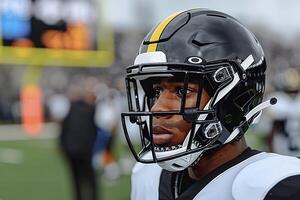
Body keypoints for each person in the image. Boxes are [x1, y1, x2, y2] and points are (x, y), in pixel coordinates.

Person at [121, 8, 300, 200]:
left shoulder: (274, 186)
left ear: (232, 99)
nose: (157, 108)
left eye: (182, 91)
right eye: (157, 92)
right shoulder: (148, 175)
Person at [59, 78, 98, 200]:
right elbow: (64, 128)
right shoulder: (74, 107)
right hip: (75, 150)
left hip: (81, 149)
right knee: (79, 178)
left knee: (88, 178)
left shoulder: (90, 108)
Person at [264, 68, 300, 156]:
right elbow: (269, 132)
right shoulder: (278, 100)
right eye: (289, 91)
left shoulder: (277, 101)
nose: (292, 94)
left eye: (295, 91)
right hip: (282, 149)